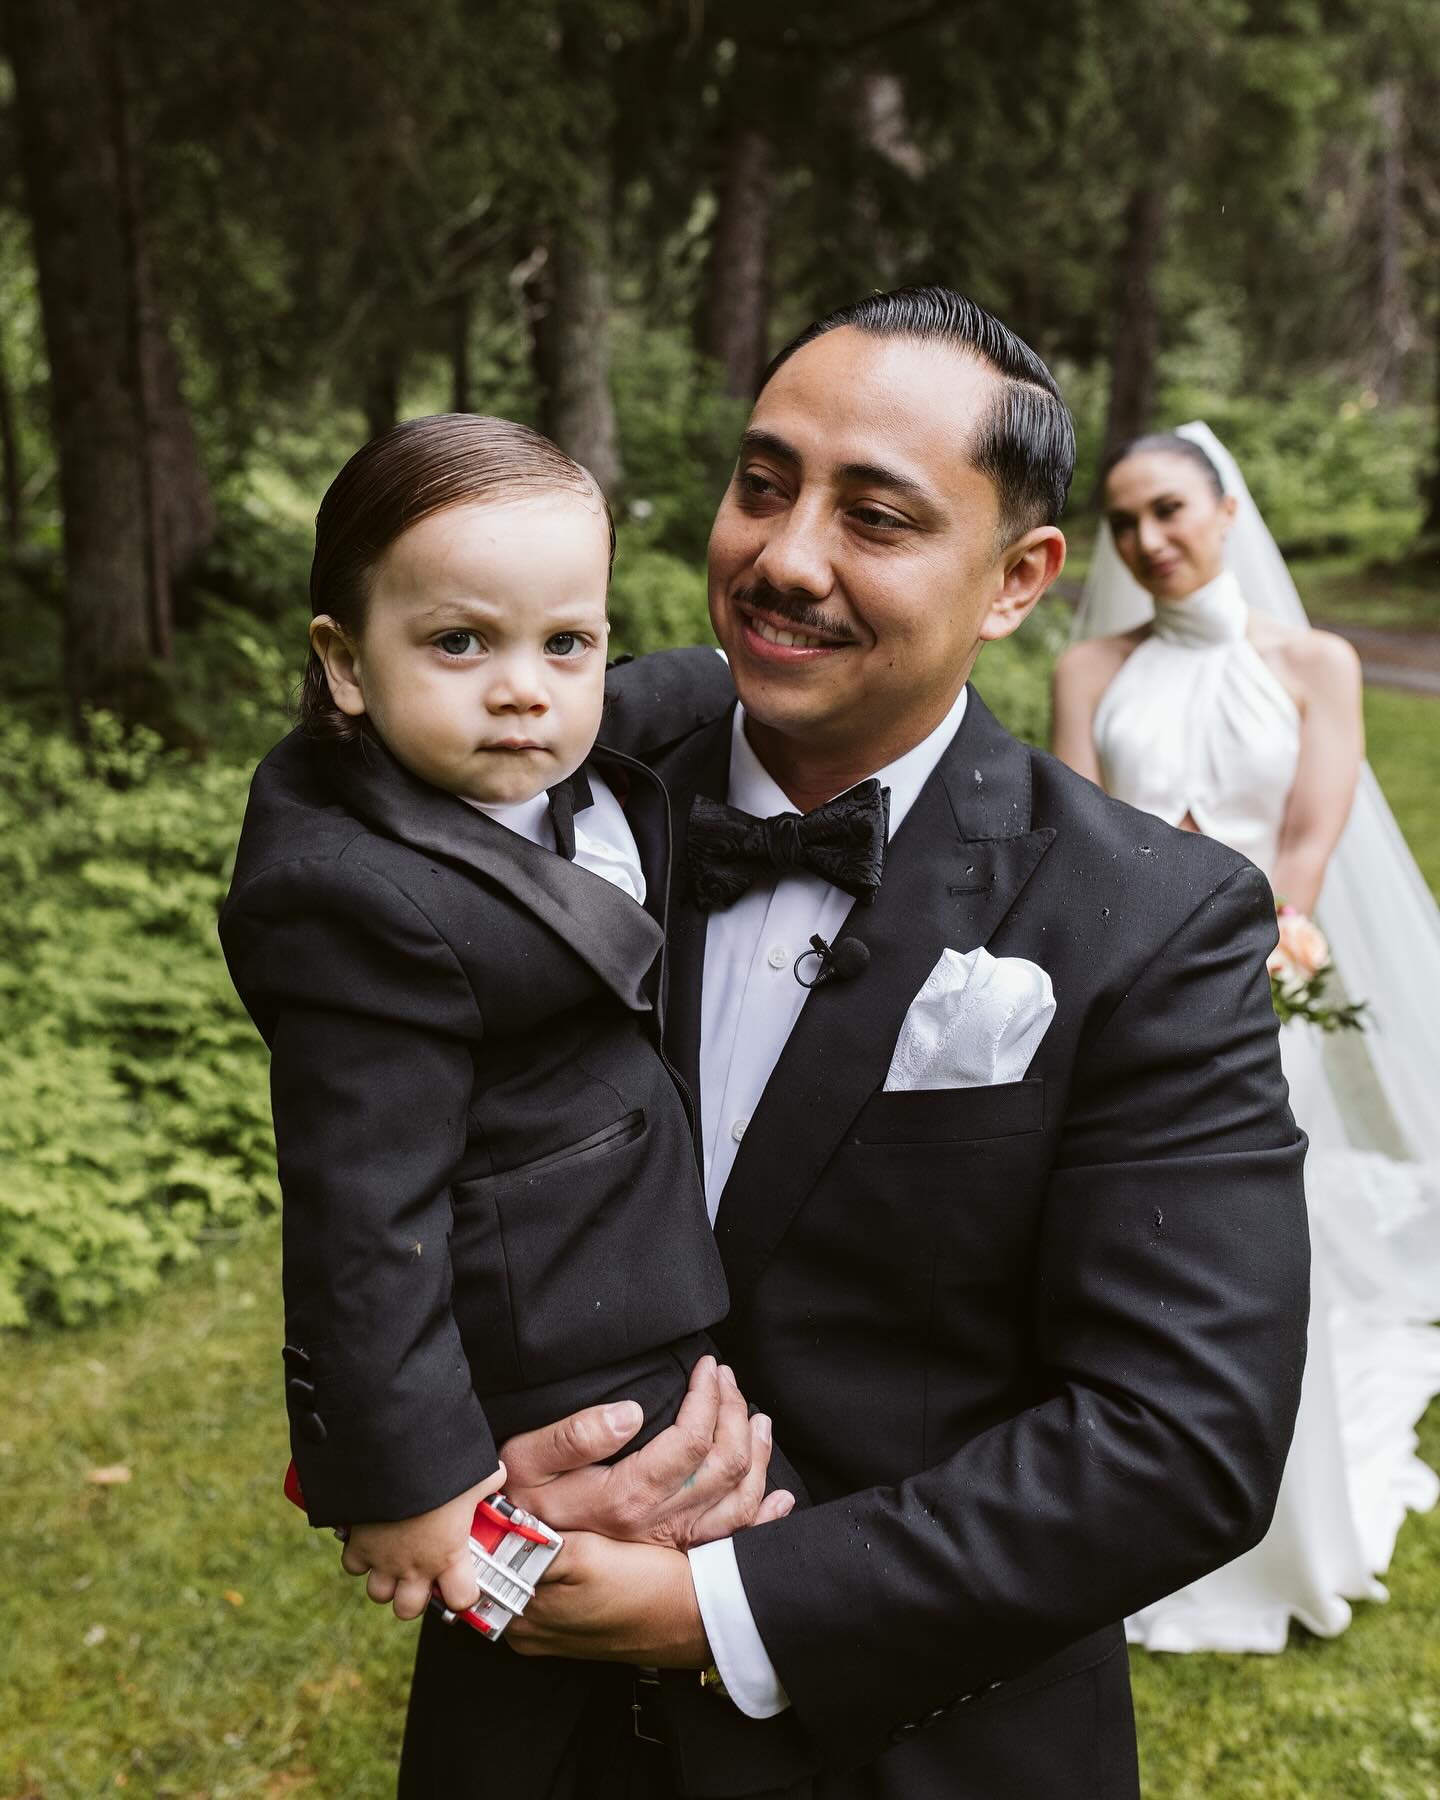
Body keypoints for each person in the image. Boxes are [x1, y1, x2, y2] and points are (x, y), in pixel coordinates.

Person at [458, 288, 1310, 1799]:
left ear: (1017, 578)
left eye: (878, 516)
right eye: (764, 482)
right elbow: (368, 1115)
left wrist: (716, 1607)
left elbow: (1182, 1437)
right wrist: (427, 1463)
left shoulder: (1152, 921)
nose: (784, 559)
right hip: (519, 1726)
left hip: (912, 1748)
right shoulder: (549, 754)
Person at [218, 413, 818, 1799]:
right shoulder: (354, 900)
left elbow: (669, 686)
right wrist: (406, 1483)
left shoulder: (575, 747)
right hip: (542, 1325)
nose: (523, 693)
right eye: (458, 644)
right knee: (542, 1630)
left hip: (627, 1267)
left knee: (678, 1608)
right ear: (342, 663)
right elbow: (365, 1218)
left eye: (568, 644)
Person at [1051, 422, 1440, 1653]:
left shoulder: (1314, 660)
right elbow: (1077, 845)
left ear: (1226, 508)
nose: (1148, 540)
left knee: (1268, 1258)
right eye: (1124, 522)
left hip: (1265, 994)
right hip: (1123, 1008)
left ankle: (1284, 1520)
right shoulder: (1090, 672)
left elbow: (1310, 841)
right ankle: (1118, 1502)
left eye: (1169, 508)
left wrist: (1270, 944)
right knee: (1130, 1250)